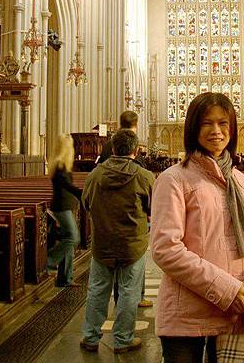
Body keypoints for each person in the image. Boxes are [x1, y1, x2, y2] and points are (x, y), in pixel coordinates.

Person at [150, 92, 244, 363]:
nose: (216, 131)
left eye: (223, 123)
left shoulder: (241, 182)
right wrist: (227, 289)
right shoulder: (173, 179)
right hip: (187, 316)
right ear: (193, 128)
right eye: (207, 123)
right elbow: (165, 249)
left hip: (233, 313)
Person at [79, 130, 155, 354]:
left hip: (102, 242)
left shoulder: (95, 175)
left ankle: (90, 336)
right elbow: (154, 208)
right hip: (132, 244)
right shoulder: (144, 176)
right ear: (136, 150)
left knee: (97, 289)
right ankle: (122, 340)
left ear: (113, 149)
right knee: (130, 291)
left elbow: (85, 204)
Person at [47, 134, 82, 287]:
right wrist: (82, 194)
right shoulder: (60, 166)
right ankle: (48, 260)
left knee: (68, 239)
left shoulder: (61, 165)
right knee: (73, 238)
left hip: (65, 206)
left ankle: (65, 278)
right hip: (61, 208)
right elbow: (68, 187)